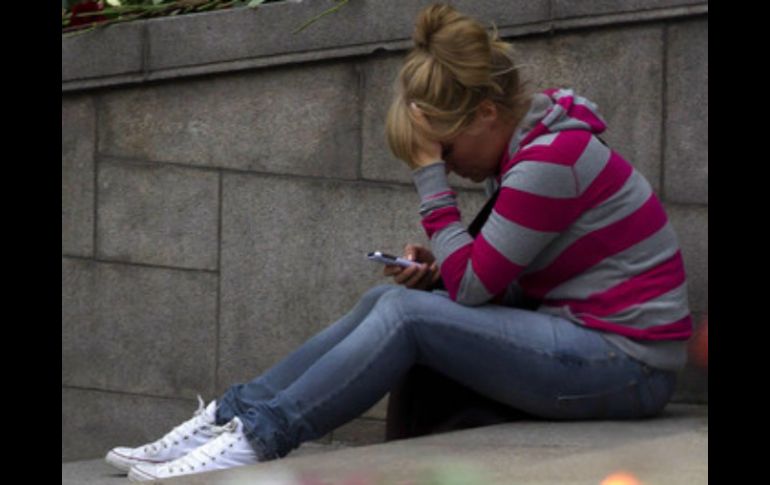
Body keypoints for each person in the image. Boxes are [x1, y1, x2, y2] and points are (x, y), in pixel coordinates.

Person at [105, 3, 692, 481]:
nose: (448, 166)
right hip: (589, 344)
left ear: (487, 114)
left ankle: (259, 438)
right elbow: (499, 283)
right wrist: (441, 271)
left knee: (407, 316)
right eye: (437, 159)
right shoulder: (533, 150)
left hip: (628, 366)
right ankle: (229, 416)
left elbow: (474, 288)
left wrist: (429, 181)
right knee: (388, 299)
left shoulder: (551, 160)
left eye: (446, 149)